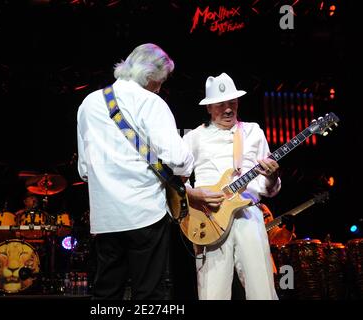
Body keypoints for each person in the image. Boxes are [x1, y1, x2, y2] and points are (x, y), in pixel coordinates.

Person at [77, 43, 194, 299]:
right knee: (149, 293)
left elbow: (84, 169)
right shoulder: (151, 102)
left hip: (106, 217)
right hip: (145, 213)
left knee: (106, 293)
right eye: (160, 81)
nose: (160, 88)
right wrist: (187, 166)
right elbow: (177, 158)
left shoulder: (89, 103)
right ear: (151, 75)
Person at [183, 73, 281, 300]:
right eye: (221, 105)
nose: (228, 109)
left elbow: (270, 188)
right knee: (212, 293)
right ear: (208, 108)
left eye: (232, 103)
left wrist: (273, 177)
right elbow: (175, 182)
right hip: (210, 218)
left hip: (249, 214)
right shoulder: (194, 138)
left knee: (262, 289)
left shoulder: (253, 131)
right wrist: (194, 195)